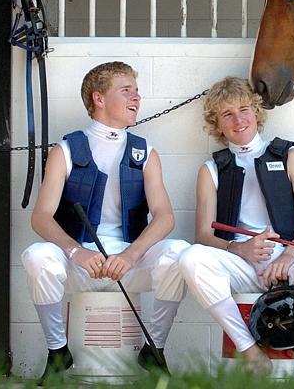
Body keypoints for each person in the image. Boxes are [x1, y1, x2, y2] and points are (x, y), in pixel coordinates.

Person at [21, 61, 188, 384]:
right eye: (126, 91)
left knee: (178, 253)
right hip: (82, 264)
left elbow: (165, 216)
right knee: (37, 257)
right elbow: (41, 217)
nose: (136, 98)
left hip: (129, 264)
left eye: (137, 91)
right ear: (98, 98)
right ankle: (58, 351)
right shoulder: (66, 150)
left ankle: (154, 348)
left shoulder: (145, 152)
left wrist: (131, 255)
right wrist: (75, 253)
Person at [178, 77, 294, 373]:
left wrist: (289, 256)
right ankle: (250, 350)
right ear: (217, 125)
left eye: (244, 110)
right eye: (227, 114)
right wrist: (240, 249)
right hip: (243, 265)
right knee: (190, 258)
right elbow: (202, 235)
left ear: (257, 113)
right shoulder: (211, 169)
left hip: (288, 262)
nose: (239, 120)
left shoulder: (289, 156)